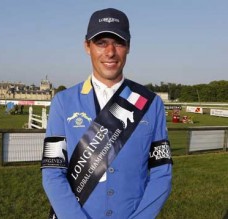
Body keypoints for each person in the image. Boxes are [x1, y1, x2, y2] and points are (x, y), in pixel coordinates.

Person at [41, 8, 173, 219]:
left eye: (118, 42)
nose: (110, 52)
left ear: (128, 47)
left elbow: (161, 174)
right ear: (87, 46)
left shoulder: (151, 103)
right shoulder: (63, 102)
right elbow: (52, 173)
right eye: (101, 42)